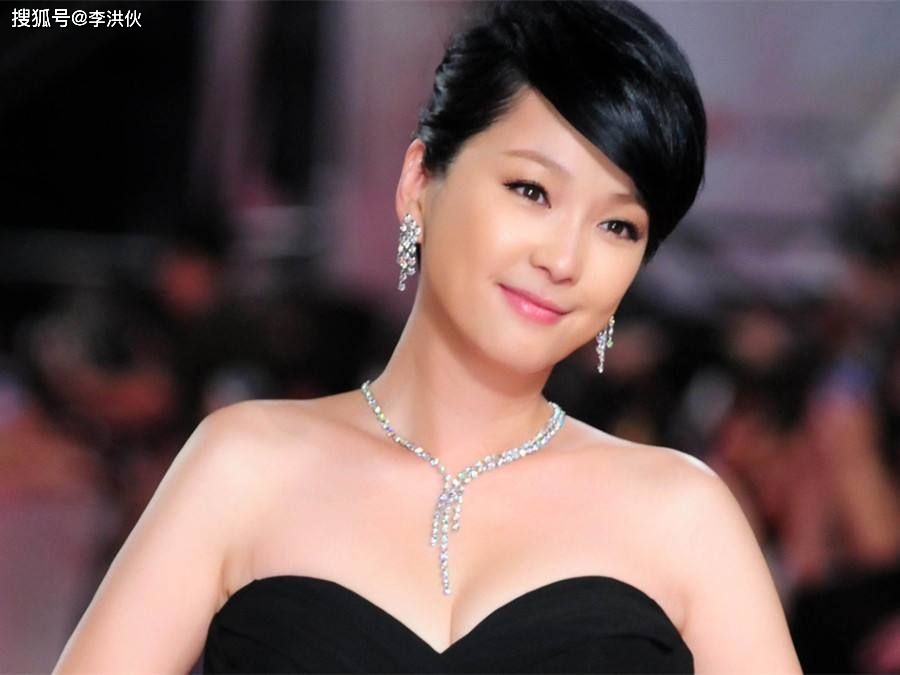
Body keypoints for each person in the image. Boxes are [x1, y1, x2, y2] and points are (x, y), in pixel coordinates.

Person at [53, 1, 802, 672]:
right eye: (531, 190)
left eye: (617, 225)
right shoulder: (242, 467)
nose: (564, 259)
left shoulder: (684, 516)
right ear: (420, 181)